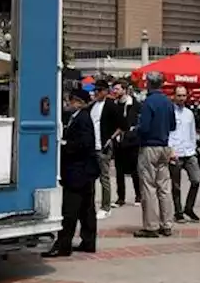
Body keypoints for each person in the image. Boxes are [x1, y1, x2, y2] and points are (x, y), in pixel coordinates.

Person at [46, 88, 100, 257]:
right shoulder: (79, 117)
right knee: (86, 209)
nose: (68, 103)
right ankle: (88, 241)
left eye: (71, 100)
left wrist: (64, 145)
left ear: (78, 102)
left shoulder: (82, 119)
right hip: (85, 171)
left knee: (70, 210)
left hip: (78, 172)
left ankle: (63, 245)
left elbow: (84, 144)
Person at [134, 72, 176, 238]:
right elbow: (172, 125)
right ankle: (167, 224)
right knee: (164, 187)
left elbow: (144, 127)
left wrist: (135, 130)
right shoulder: (167, 102)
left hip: (149, 146)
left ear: (148, 84)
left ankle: (151, 226)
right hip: (164, 146)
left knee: (149, 187)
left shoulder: (148, 102)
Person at [168, 86, 200, 223]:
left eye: (184, 95)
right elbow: (167, 132)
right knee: (176, 185)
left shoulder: (189, 113)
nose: (182, 98)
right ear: (174, 96)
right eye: (179, 95)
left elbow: (192, 132)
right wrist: (170, 150)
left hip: (189, 152)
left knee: (196, 180)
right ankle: (178, 212)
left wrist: (194, 147)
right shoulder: (169, 112)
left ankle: (189, 207)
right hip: (175, 152)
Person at [110, 81, 143, 206]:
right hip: (118, 141)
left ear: (124, 90)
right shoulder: (114, 104)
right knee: (119, 171)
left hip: (132, 141)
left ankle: (138, 196)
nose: (115, 91)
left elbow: (139, 121)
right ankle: (121, 198)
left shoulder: (135, 104)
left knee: (134, 170)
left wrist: (134, 132)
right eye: (114, 89)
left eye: (117, 89)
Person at [90, 80, 119, 219]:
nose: (97, 92)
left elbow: (122, 125)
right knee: (90, 177)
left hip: (103, 146)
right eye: (96, 90)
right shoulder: (92, 106)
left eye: (100, 90)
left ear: (106, 91)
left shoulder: (111, 106)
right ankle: (90, 205)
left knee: (104, 177)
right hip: (92, 145)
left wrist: (110, 139)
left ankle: (106, 206)